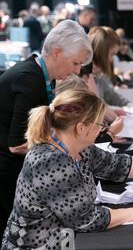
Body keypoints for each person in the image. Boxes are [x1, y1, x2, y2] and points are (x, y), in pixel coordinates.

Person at [1, 89, 133, 250]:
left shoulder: (79, 149)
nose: (102, 129)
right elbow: (87, 220)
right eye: (100, 124)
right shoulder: (51, 162)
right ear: (81, 128)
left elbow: (118, 164)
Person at [0, 20, 92, 235]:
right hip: (5, 172)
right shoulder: (30, 79)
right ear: (57, 52)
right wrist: (64, 145)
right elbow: (18, 144)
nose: (77, 71)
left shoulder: (39, 75)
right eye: (75, 63)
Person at [87, 26, 133, 108]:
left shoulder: (100, 76)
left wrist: (132, 106)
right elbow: (96, 108)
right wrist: (126, 110)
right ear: (101, 52)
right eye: (112, 54)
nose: (111, 60)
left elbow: (111, 96)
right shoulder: (83, 77)